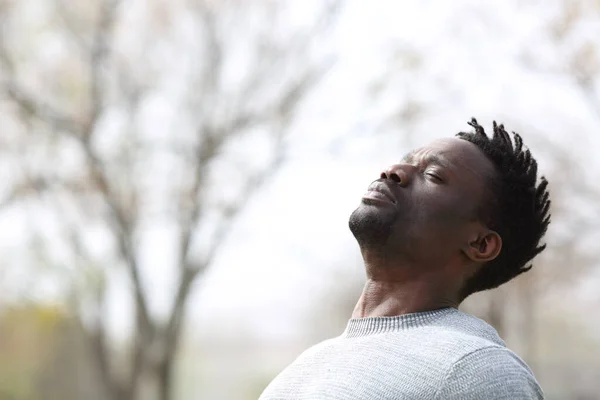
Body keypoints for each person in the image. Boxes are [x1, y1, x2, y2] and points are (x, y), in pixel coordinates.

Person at [258, 119, 551, 400]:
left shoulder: (477, 371)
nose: (393, 170)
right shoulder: (300, 373)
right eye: (404, 160)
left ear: (480, 243)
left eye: (434, 175)